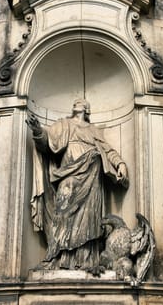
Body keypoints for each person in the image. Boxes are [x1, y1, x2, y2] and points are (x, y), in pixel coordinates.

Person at [26, 99, 129, 271]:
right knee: (63, 213)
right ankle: (60, 258)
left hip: (92, 174)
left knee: (89, 217)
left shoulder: (93, 130)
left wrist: (120, 164)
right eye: (77, 102)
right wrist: (37, 130)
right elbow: (47, 144)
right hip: (68, 174)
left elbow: (108, 150)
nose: (79, 104)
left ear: (87, 110)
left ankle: (86, 260)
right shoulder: (63, 124)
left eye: (82, 103)